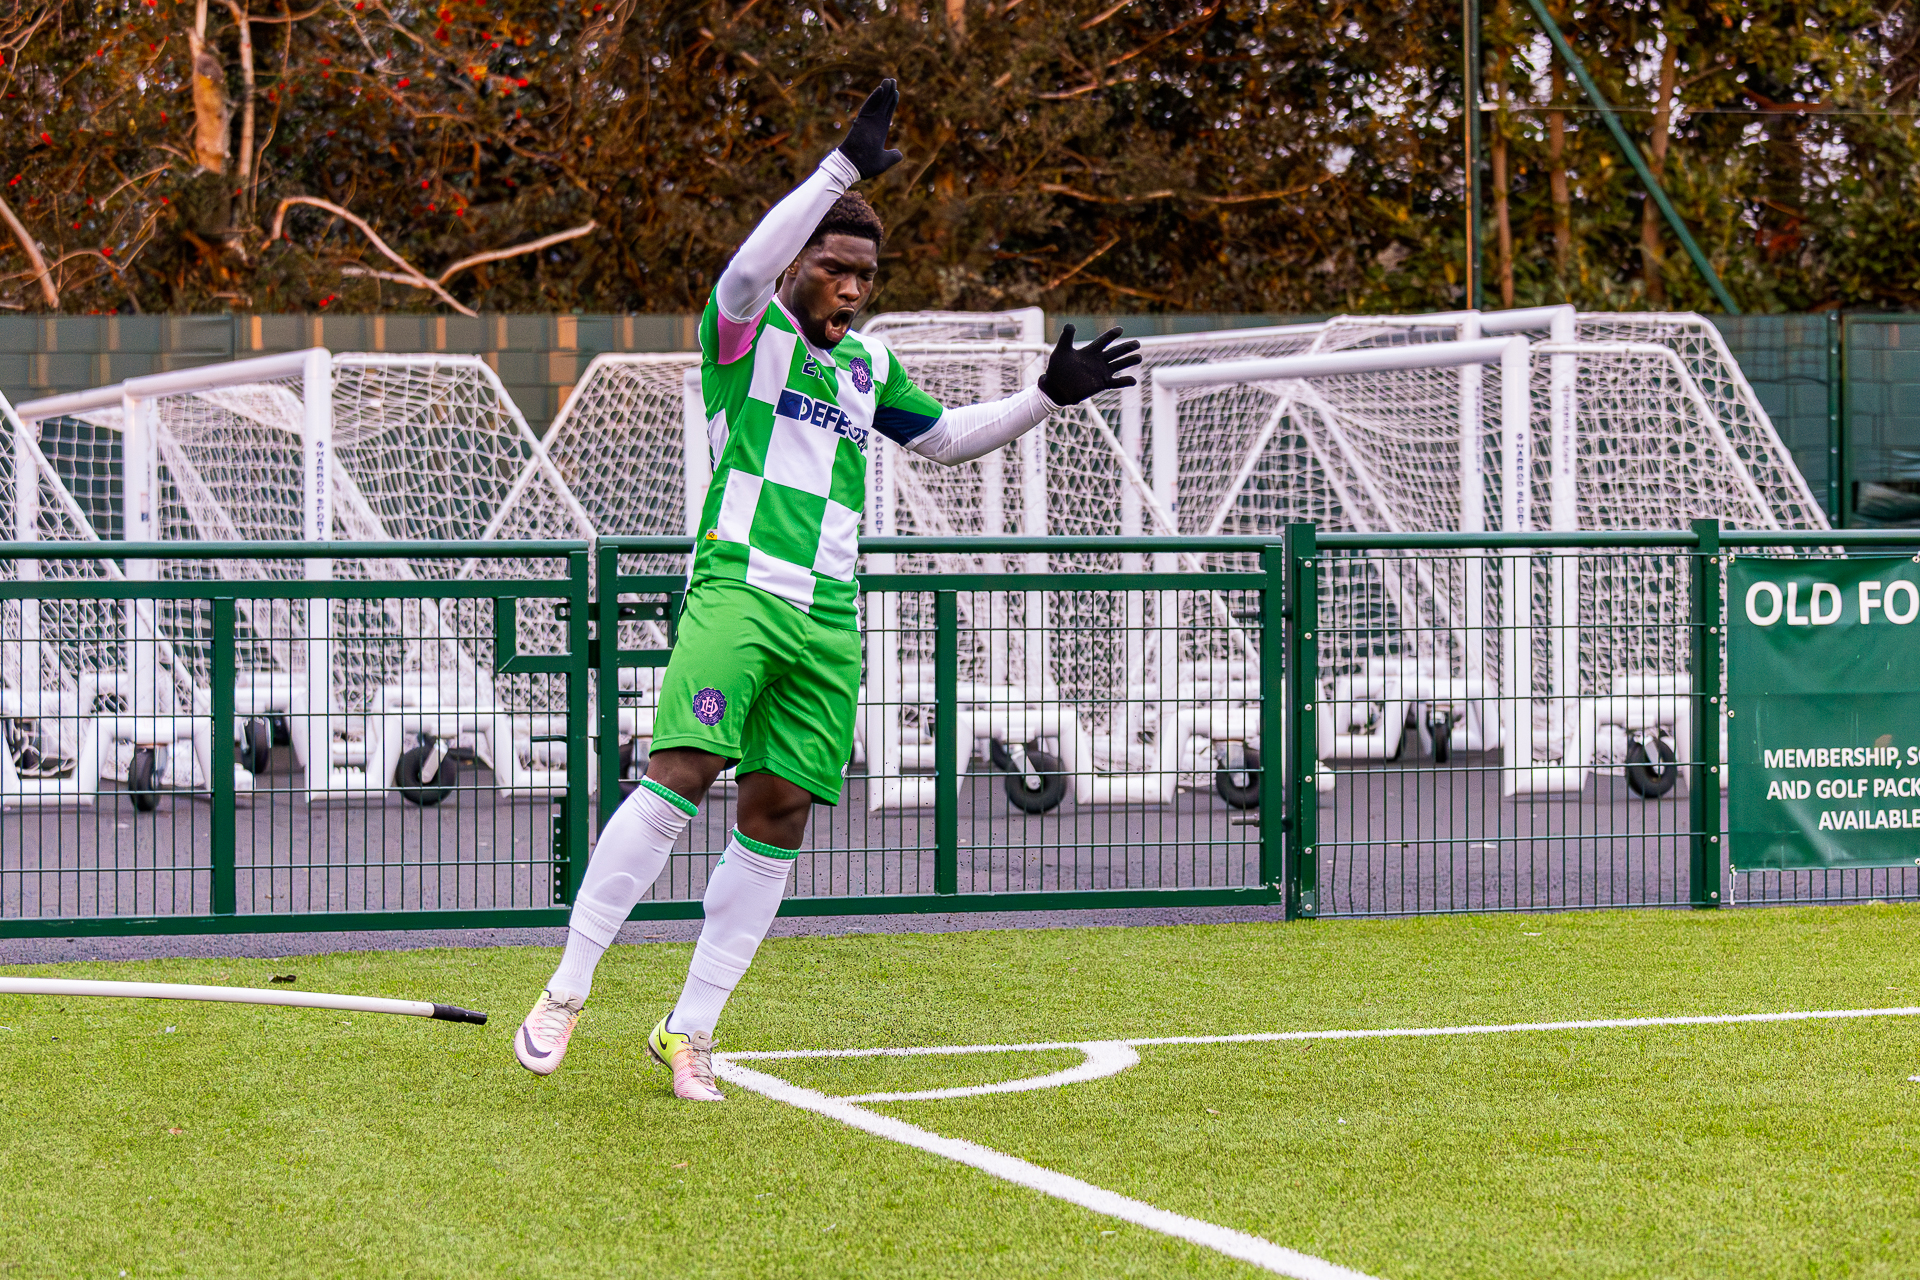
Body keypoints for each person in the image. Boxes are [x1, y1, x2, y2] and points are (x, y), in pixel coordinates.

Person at [513, 78, 1139, 1099]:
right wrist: (838, 169)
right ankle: (568, 988)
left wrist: (1043, 397)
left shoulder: (870, 368)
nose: (852, 289)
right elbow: (741, 269)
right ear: (800, 263)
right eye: (835, 269)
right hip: (739, 588)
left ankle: (689, 1032)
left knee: (780, 813)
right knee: (679, 775)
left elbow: (945, 440)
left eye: (865, 276)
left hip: (829, 617)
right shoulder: (744, 334)